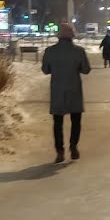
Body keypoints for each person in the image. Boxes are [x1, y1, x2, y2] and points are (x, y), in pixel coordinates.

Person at [42, 23, 91, 163]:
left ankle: (60, 151)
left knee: (57, 122)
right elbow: (86, 69)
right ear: (72, 36)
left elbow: (45, 70)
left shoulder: (50, 51)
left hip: (57, 91)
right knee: (76, 120)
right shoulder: (79, 51)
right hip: (74, 90)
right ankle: (73, 147)